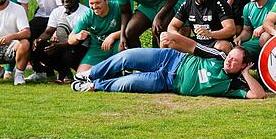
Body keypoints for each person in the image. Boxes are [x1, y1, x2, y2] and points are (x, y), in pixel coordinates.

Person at [70, 36, 265, 99]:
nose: (229, 61)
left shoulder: (233, 85)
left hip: (166, 82)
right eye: (230, 57)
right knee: (127, 57)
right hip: (170, 59)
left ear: (241, 66)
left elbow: (258, 95)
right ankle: (89, 74)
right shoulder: (218, 56)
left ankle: (95, 85)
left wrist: (246, 73)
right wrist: (171, 37)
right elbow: (191, 46)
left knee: (128, 83)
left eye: (234, 61)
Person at [18, 0, 64, 82]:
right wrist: (23, 26)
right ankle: (40, 71)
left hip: (56, 16)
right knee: (26, 38)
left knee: (45, 42)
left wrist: (56, 29)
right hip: (41, 15)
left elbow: (61, 7)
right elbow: (24, 5)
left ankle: (62, 71)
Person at [32, 0, 89, 83]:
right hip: (62, 45)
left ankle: (71, 73)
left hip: (80, 47)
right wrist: (39, 40)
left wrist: (60, 46)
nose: (65, 0)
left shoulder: (85, 13)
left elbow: (82, 39)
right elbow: (48, 32)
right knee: (38, 48)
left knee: (68, 54)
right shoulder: (57, 11)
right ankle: (63, 72)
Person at [168, 0, 236, 52]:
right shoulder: (187, 4)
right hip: (197, 43)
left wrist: (210, 34)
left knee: (224, 46)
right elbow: (172, 26)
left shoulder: (219, 3)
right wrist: (179, 37)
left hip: (216, 41)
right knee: (167, 39)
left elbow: (231, 30)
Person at [68, 0, 122, 72]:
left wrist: (113, 36)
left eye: (98, 3)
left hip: (116, 45)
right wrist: (77, 36)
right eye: (91, 3)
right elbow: (70, 39)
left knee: (122, 45)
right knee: (80, 76)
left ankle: (121, 72)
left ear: (107, 0)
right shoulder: (88, 15)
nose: (94, 6)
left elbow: (130, 29)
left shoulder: (117, 7)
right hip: (97, 48)